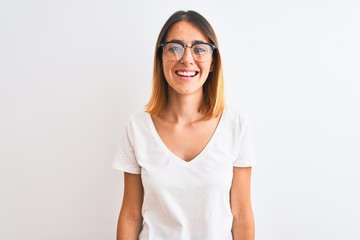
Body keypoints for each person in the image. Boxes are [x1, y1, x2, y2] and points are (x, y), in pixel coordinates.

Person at [113, 10, 256, 240]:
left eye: (199, 48)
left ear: (212, 63)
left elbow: (241, 215)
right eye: (175, 47)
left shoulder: (235, 124)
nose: (187, 59)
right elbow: (130, 215)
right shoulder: (137, 127)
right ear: (161, 59)